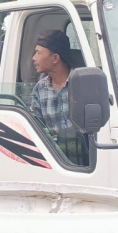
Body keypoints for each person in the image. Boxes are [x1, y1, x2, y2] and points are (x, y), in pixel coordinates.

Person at [28, 29, 87, 165]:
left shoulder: (83, 84)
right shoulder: (39, 89)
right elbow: (36, 127)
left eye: (38, 53)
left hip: (86, 161)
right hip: (55, 161)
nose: (34, 58)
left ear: (55, 58)